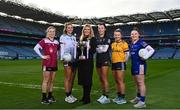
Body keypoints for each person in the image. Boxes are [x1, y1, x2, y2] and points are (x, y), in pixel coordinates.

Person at [129, 28, 155, 108]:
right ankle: (138, 97)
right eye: (132, 34)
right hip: (133, 65)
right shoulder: (131, 44)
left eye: (135, 34)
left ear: (138, 35)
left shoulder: (142, 43)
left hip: (140, 65)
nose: (134, 35)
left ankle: (142, 102)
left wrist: (145, 57)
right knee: (136, 83)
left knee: (141, 83)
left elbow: (152, 50)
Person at [34, 26, 59, 104]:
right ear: (47, 32)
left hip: (54, 63)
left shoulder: (56, 42)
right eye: (50, 31)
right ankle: (44, 98)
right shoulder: (44, 40)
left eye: (53, 31)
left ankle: (50, 96)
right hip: (47, 64)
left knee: (52, 81)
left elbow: (57, 51)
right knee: (46, 80)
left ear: (55, 33)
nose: (52, 33)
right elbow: (35, 48)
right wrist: (42, 56)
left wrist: (58, 56)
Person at [77, 24, 96, 104]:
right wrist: (79, 55)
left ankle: (88, 98)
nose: (86, 30)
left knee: (88, 80)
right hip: (81, 62)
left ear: (90, 30)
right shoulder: (81, 38)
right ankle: (84, 96)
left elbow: (94, 50)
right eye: (85, 29)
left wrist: (90, 48)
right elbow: (78, 50)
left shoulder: (93, 39)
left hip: (88, 62)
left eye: (88, 29)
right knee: (83, 79)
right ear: (83, 30)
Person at [59, 22, 77, 103]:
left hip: (73, 59)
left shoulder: (74, 37)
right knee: (68, 77)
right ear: (66, 29)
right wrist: (62, 57)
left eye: (71, 27)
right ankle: (67, 96)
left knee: (72, 78)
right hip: (67, 59)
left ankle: (70, 94)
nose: (70, 29)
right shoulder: (63, 37)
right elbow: (62, 48)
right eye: (68, 27)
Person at [111, 29, 129, 104]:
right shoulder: (113, 44)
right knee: (116, 81)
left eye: (118, 35)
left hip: (120, 63)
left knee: (120, 81)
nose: (117, 36)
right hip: (114, 63)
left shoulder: (124, 43)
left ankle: (122, 98)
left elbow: (127, 54)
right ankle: (118, 96)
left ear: (120, 35)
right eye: (115, 35)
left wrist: (125, 61)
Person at [95, 23, 111, 104]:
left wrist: (98, 48)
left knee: (104, 78)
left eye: (102, 28)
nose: (100, 29)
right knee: (101, 79)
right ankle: (103, 94)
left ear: (105, 29)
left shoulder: (107, 38)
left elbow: (104, 49)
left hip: (105, 59)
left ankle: (107, 97)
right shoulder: (96, 38)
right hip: (98, 59)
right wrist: (100, 48)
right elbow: (96, 49)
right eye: (99, 28)